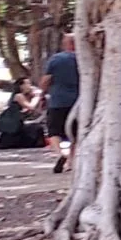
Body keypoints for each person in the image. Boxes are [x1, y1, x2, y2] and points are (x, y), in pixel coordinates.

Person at [42, 33, 82, 173]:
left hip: (57, 101)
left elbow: (46, 80)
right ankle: (71, 162)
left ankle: (60, 154)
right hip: (79, 101)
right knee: (76, 134)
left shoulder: (56, 59)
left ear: (66, 43)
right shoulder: (83, 58)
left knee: (54, 132)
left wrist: (42, 93)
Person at [0, 76, 48, 150]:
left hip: (20, 122)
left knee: (37, 128)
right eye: (27, 83)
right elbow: (31, 106)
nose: (30, 86)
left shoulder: (27, 96)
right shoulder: (18, 96)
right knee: (35, 129)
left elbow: (36, 111)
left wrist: (40, 101)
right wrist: (36, 97)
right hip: (14, 123)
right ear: (21, 86)